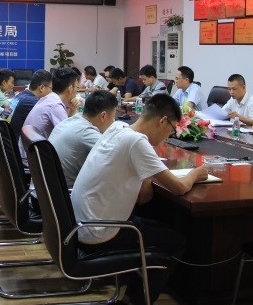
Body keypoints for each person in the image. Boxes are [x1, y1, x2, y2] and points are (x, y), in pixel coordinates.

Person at [71, 93, 208, 305]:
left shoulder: (118, 128)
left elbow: (135, 159)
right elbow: (179, 187)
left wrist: (146, 178)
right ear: (162, 121)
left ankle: (133, 292)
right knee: (175, 242)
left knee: (159, 226)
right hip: (99, 233)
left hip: (81, 225)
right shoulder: (136, 142)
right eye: (171, 129)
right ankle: (136, 300)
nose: (169, 135)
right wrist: (196, 173)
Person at [49, 90, 119, 188]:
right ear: (103, 116)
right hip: (66, 191)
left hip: (48, 187)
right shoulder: (86, 132)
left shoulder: (71, 120)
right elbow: (117, 153)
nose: (113, 121)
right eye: (113, 117)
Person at [9, 69, 53, 140]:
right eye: (51, 88)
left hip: (9, 138)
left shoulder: (22, 95)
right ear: (41, 88)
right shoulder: (32, 102)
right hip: (16, 143)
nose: (51, 92)